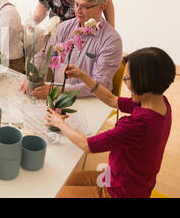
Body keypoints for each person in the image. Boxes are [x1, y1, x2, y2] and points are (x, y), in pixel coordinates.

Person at [48, 47, 175, 198]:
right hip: (121, 180)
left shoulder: (137, 125)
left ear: (143, 82)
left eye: (126, 79)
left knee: (57, 193)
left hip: (120, 193)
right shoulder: (159, 103)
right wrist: (82, 76)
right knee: (61, 182)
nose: (126, 83)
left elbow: (87, 145)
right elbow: (111, 99)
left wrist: (59, 123)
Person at [21, 0, 122, 98]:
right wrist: (31, 76)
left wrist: (58, 91)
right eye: (76, 4)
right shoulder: (64, 27)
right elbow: (44, 55)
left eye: (84, 6)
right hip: (58, 93)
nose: (78, 11)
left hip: (91, 99)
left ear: (101, 7)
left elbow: (100, 84)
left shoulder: (111, 40)